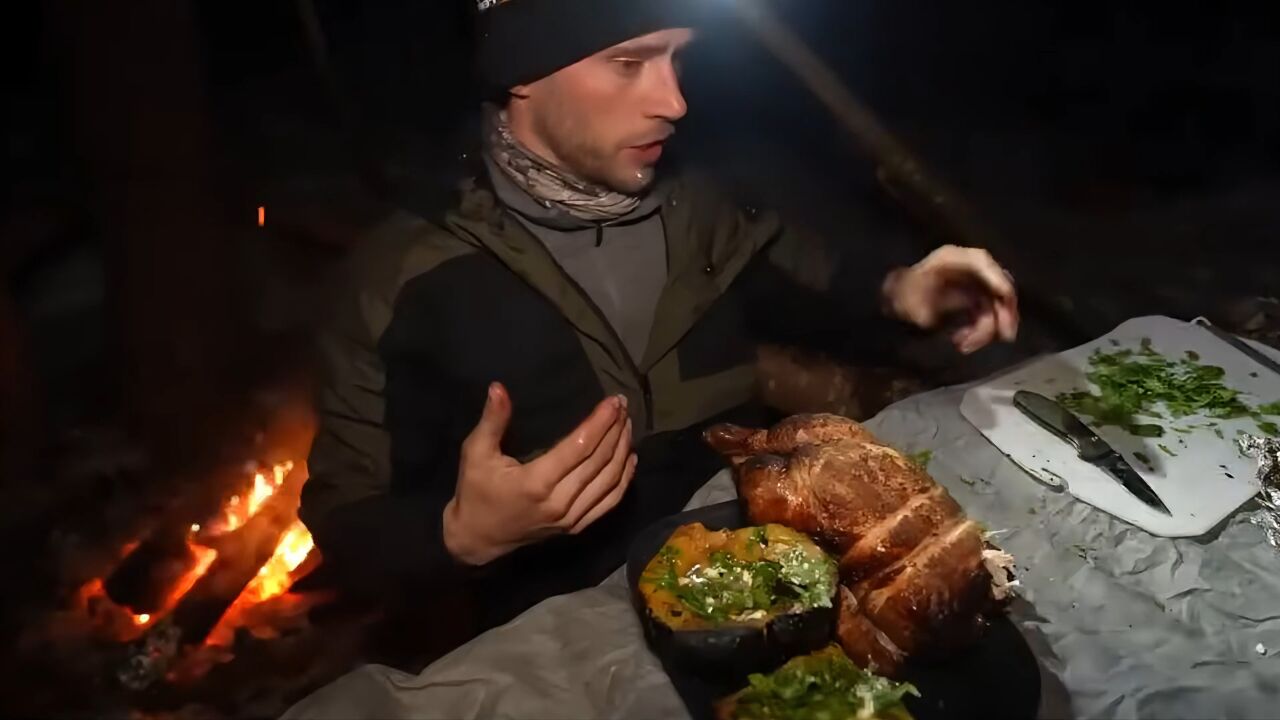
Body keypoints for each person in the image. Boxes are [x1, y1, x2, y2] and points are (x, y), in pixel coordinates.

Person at [300, 0, 1019, 654]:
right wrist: (461, 534)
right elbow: (347, 522)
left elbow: (802, 277)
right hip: (567, 624)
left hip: (757, 573)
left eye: (678, 58)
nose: (673, 100)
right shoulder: (400, 282)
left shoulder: (699, 198)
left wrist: (902, 290)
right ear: (522, 74)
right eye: (629, 63)